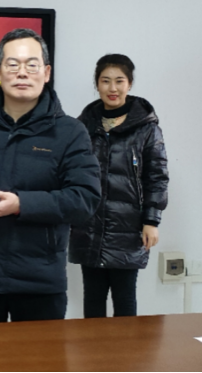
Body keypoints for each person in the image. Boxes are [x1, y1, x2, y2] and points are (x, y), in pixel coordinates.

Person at [0, 28, 101, 325]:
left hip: (39, 282)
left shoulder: (70, 132)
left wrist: (21, 204)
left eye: (31, 65)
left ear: (46, 73)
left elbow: (84, 199)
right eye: (13, 64)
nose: (22, 73)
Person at [69, 54, 169, 318]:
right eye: (105, 81)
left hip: (129, 226)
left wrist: (152, 220)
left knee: (124, 299)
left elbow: (157, 177)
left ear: (130, 84)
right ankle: (94, 347)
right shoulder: (83, 126)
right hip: (89, 225)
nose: (112, 88)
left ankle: (127, 348)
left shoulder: (147, 128)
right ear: (97, 84)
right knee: (93, 298)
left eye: (119, 81)